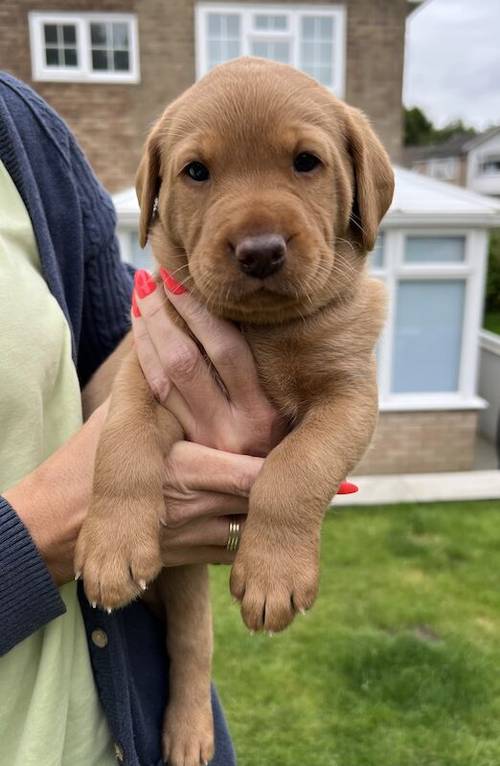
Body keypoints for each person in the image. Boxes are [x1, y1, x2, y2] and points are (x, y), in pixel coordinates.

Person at [0, 72, 280, 765]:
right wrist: (35, 538)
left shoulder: (24, 132)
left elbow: (129, 341)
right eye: (197, 173)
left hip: (130, 731)